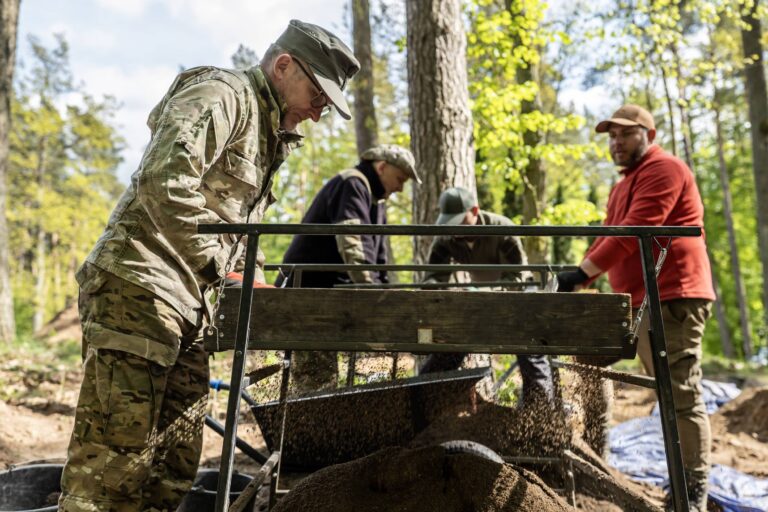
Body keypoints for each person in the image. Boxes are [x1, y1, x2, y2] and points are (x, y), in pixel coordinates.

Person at [59, 20, 360, 512]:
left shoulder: (269, 132)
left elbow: (238, 229)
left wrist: (257, 287)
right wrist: (226, 267)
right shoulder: (223, 95)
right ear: (283, 66)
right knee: (113, 467)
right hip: (140, 285)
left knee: (172, 466)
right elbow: (163, 181)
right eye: (317, 95)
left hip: (189, 304)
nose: (318, 113)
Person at [556, 104, 715, 511]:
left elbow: (633, 232)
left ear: (649, 133)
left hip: (673, 295)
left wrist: (579, 274)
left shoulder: (665, 170)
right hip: (639, 300)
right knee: (594, 360)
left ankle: (691, 494)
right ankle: (594, 460)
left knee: (679, 393)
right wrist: (577, 278)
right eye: (611, 136)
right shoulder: (623, 184)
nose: (616, 142)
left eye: (625, 134)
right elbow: (609, 236)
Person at [276, 144, 420, 391]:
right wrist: (373, 295)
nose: (400, 187)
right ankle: (308, 423)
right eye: (399, 179)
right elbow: (352, 244)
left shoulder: (377, 201)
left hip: (333, 296)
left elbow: (379, 258)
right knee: (316, 378)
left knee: (347, 373)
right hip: (308, 294)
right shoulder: (352, 184)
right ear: (382, 167)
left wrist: (387, 296)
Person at [420, 187, 556, 409]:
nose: (453, 228)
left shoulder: (502, 229)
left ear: (474, 210)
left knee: (530, 350)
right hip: (477, 299)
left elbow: (518, 278)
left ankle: (539, 415)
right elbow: (432, 279)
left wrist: (488, 294)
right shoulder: (446, 236)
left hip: (518, 297)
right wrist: (446, 296)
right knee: (446, 349)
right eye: (448, 221)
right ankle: (429, 405)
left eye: (458, 220)